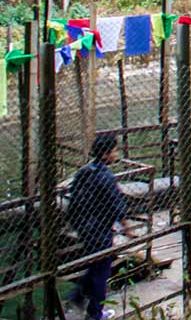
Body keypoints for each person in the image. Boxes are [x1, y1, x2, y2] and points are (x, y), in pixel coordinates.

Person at [66, 134, 134, 320]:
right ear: (105, 154)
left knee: (96, 263)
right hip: (99, 229)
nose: (116, 154)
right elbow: (116, 205)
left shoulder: (84, 171)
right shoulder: (106, 177)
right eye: (114, 151)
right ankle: (95, 314)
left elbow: (73, 198)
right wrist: (128, 229)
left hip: (83, 226)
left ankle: (77, 296)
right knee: (101, 272)